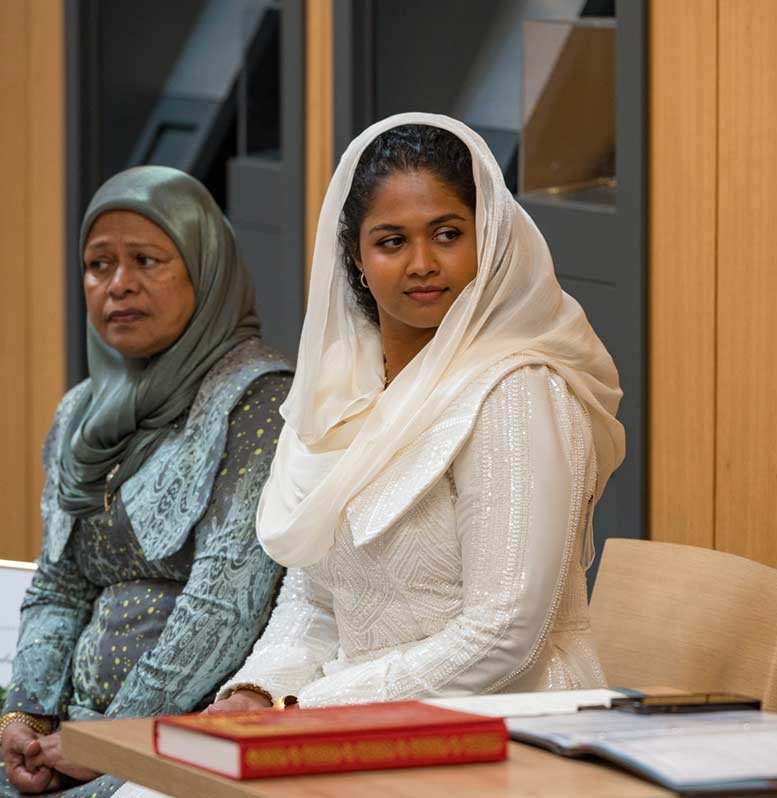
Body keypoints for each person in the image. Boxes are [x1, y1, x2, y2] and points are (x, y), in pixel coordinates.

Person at [208, 113, 623, 711]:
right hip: (356, 717)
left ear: (490, 239)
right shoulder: (341, 395)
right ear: (356, 257)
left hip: (510, 723)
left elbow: (505, 632)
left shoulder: (515, 391)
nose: (423, 262)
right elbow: (315, 602)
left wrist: (314, 707)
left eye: (448, 234)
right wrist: (256, 693)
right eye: (392, 241)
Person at [0, 166, 292, 796]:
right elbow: (59, 584)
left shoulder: (259, 402)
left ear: (204, 269)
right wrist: (25, 714)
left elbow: (225, 603)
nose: (119, 285)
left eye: (147, 260)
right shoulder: (83, 413)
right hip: (72, 734)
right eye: (98, 264)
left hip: (188, 734)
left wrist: (114, 739)